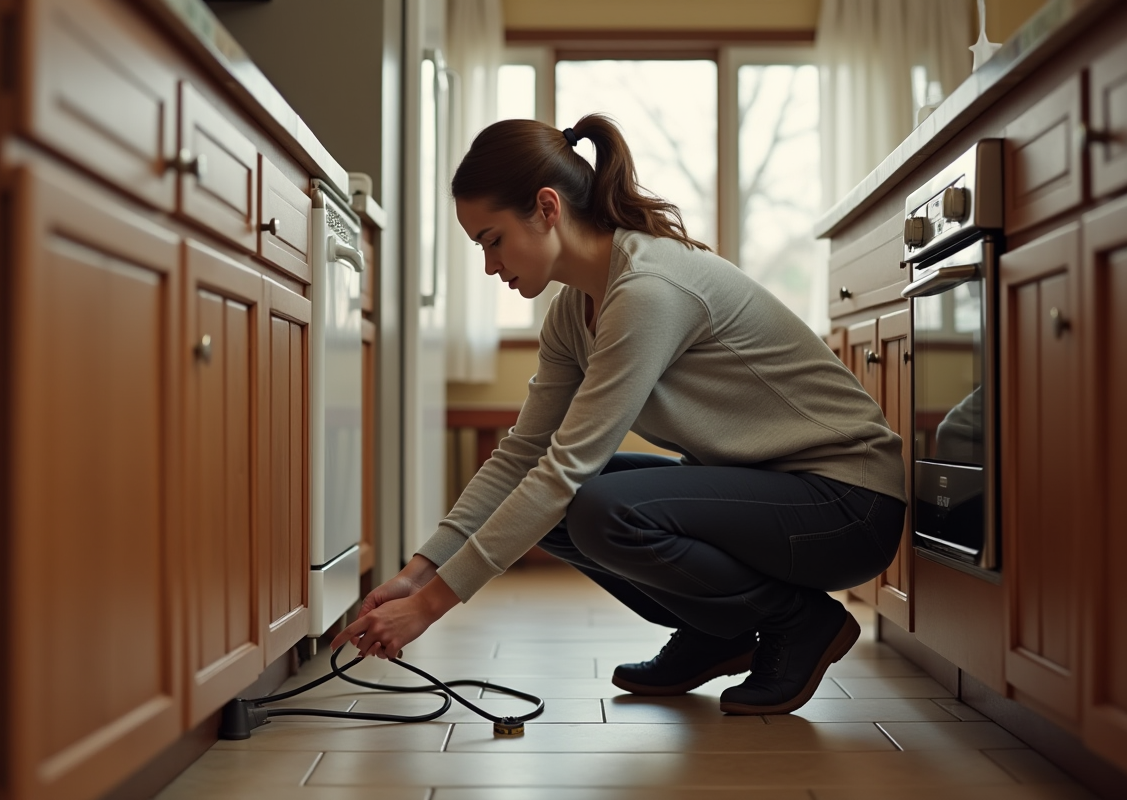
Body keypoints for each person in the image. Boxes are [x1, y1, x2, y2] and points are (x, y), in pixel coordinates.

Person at [332, 114, 907, 715]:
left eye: (492, 239)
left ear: (547, 208)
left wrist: (431, 607)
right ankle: (721, 630)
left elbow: (565, 469)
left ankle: (801, 622)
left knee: (598, 505)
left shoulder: (649, 289)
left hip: (848, 504)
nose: (488, 264)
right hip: (777, 495)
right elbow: (522, 457)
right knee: (554, 510)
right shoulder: (571, 313)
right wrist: (417, 573)